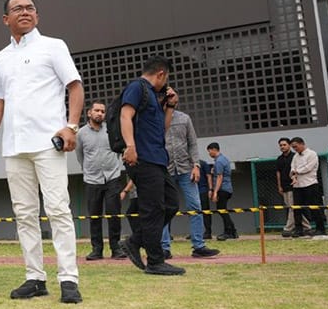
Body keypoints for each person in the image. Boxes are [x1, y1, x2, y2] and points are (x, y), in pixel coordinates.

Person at [0, 0, 84, 303]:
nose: (24, 12)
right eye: (17, 9)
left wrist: (72, 126)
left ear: (37, 15)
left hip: (47, 144)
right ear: (6, 19)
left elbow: (75, 86)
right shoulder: (0, 58)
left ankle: (68, 278)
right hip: (14, 147)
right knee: (24, 213)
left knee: (57, 209)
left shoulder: (53, 46)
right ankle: (34, 277)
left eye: (30, 8)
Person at [116, 55, 185, 276]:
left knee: (171, 202)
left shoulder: (154, 97)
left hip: (157, 159)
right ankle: (155, 261)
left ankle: (135, 241)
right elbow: (125, 116)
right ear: (161, 74)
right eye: (166, 79)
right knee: (152, 209)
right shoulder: (137, 88)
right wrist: (130, 146)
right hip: (142, 158)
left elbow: (160, 129)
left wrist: (170, 107)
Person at [161, 110, 220, 258]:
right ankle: (164, 248)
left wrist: (196, 165)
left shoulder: (184, 118)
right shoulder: (155, 118)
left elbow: (193, 143)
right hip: (165, 169)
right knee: (163, 209)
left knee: (195, 206)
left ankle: (199, 246)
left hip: (186, 169)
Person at [75, 101, 127, 260]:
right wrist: (89, 171)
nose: (100, 113)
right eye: (96, 110)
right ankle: (96, 249)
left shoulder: (112, 130)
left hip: (112, 177)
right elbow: (80, 156)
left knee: (114, 214)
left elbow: (119, 149)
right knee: (95, 216)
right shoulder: (81, 134)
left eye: (103, 111)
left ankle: (116, 248)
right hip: (92, 180)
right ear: (89, 113)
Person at [289, 137, 327, 237]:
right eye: (293, 147)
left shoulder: (312, 154)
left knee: (314, 206)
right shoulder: (295, 156)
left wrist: (297, 171)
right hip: (297, 185)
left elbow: (308, 168)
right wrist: (293, 174)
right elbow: (292, 167)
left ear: (302, 144)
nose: (295, 149)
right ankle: (299, 230)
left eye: (296, 147)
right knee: (297, 208)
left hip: (310, 183)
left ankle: (320, 228)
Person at [276, 137, 311, 237]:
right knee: (291, 208)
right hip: (284, 186)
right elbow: (278, 173)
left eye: (284, 145)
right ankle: (307, 226)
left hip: (293, 185)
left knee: (292, 208)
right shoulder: (279, 159)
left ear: (289, 146)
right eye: (281, 145)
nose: (282, 147)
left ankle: (288, 228)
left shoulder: (294, 156)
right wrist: (279, 186)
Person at [207, 143, 238, 240]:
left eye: (209, 151)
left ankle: (229, 232)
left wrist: (215, 192)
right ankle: (232, 231)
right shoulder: (223, 159)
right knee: (222, 210)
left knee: (222, 210)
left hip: (223, 189)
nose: (209, 153)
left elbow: (220, 177)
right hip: (227, 188)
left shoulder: (219, 161)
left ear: (214, 149)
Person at [197, 158, 213, 239]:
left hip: (203, 190)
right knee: (194, 212)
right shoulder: (188, 165)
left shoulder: (203, 163)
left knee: (205, 211)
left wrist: (210, 189)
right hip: (194, 191)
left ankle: (208, 232)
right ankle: (196, 232)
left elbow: (209, 176)